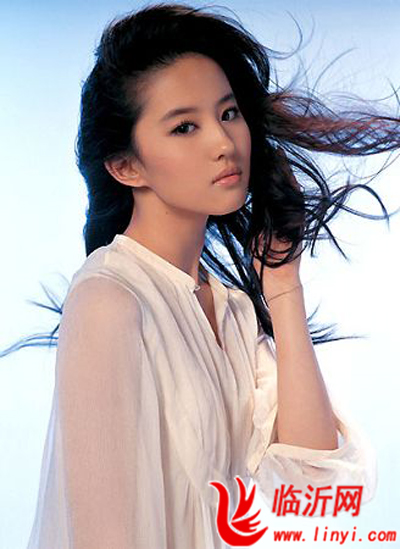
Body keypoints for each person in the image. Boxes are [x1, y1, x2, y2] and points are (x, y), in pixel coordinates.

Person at [2, 3, 399, 548]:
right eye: (184, 126)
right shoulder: (108, 299)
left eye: (228, 113)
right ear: (126, 166)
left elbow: (315, 489)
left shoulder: (232, 311)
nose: (223, 142)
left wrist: (282, 286)